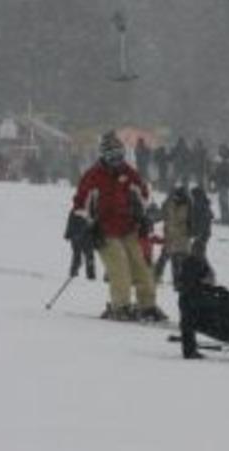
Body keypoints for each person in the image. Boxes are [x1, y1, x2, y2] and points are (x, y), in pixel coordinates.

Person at [72, 131, 166, 322]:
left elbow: (143, 195)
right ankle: (120, 305)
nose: (116, 160)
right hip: (104, 230)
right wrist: (86, 225)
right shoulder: (93, 176)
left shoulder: (128, 173)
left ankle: (147, 305)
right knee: (119, 267)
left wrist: (147, 213)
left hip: (128, 227)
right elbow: (81, 204)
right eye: (111, 156)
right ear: (104, 156)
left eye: (119, 155)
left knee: (141, 266)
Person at [155, 186, 191, 290]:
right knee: (173, 258)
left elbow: (162, 215)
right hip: (176, 236)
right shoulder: (185, 204)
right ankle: (177, 282)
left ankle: (176, 281)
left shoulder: (173, 204)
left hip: (177, 236)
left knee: (174, 258)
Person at [63, 210, 96, 280]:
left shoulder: (74, 210)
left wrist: (67, 234)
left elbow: (70, 223)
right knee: (89, 256)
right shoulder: (90, 210)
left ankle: (74, 271)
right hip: (85, 237)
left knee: (77, 255)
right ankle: (90, 275)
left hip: (76, 237)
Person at [189, 186, 213, 260]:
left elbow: (202, 219)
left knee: (197, 251)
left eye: (192, 195)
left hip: (202, 232)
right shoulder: (203, 203)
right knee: (198, 251)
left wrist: (198, 233)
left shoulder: (199, 204)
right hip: (204, 232)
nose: (192, 197)